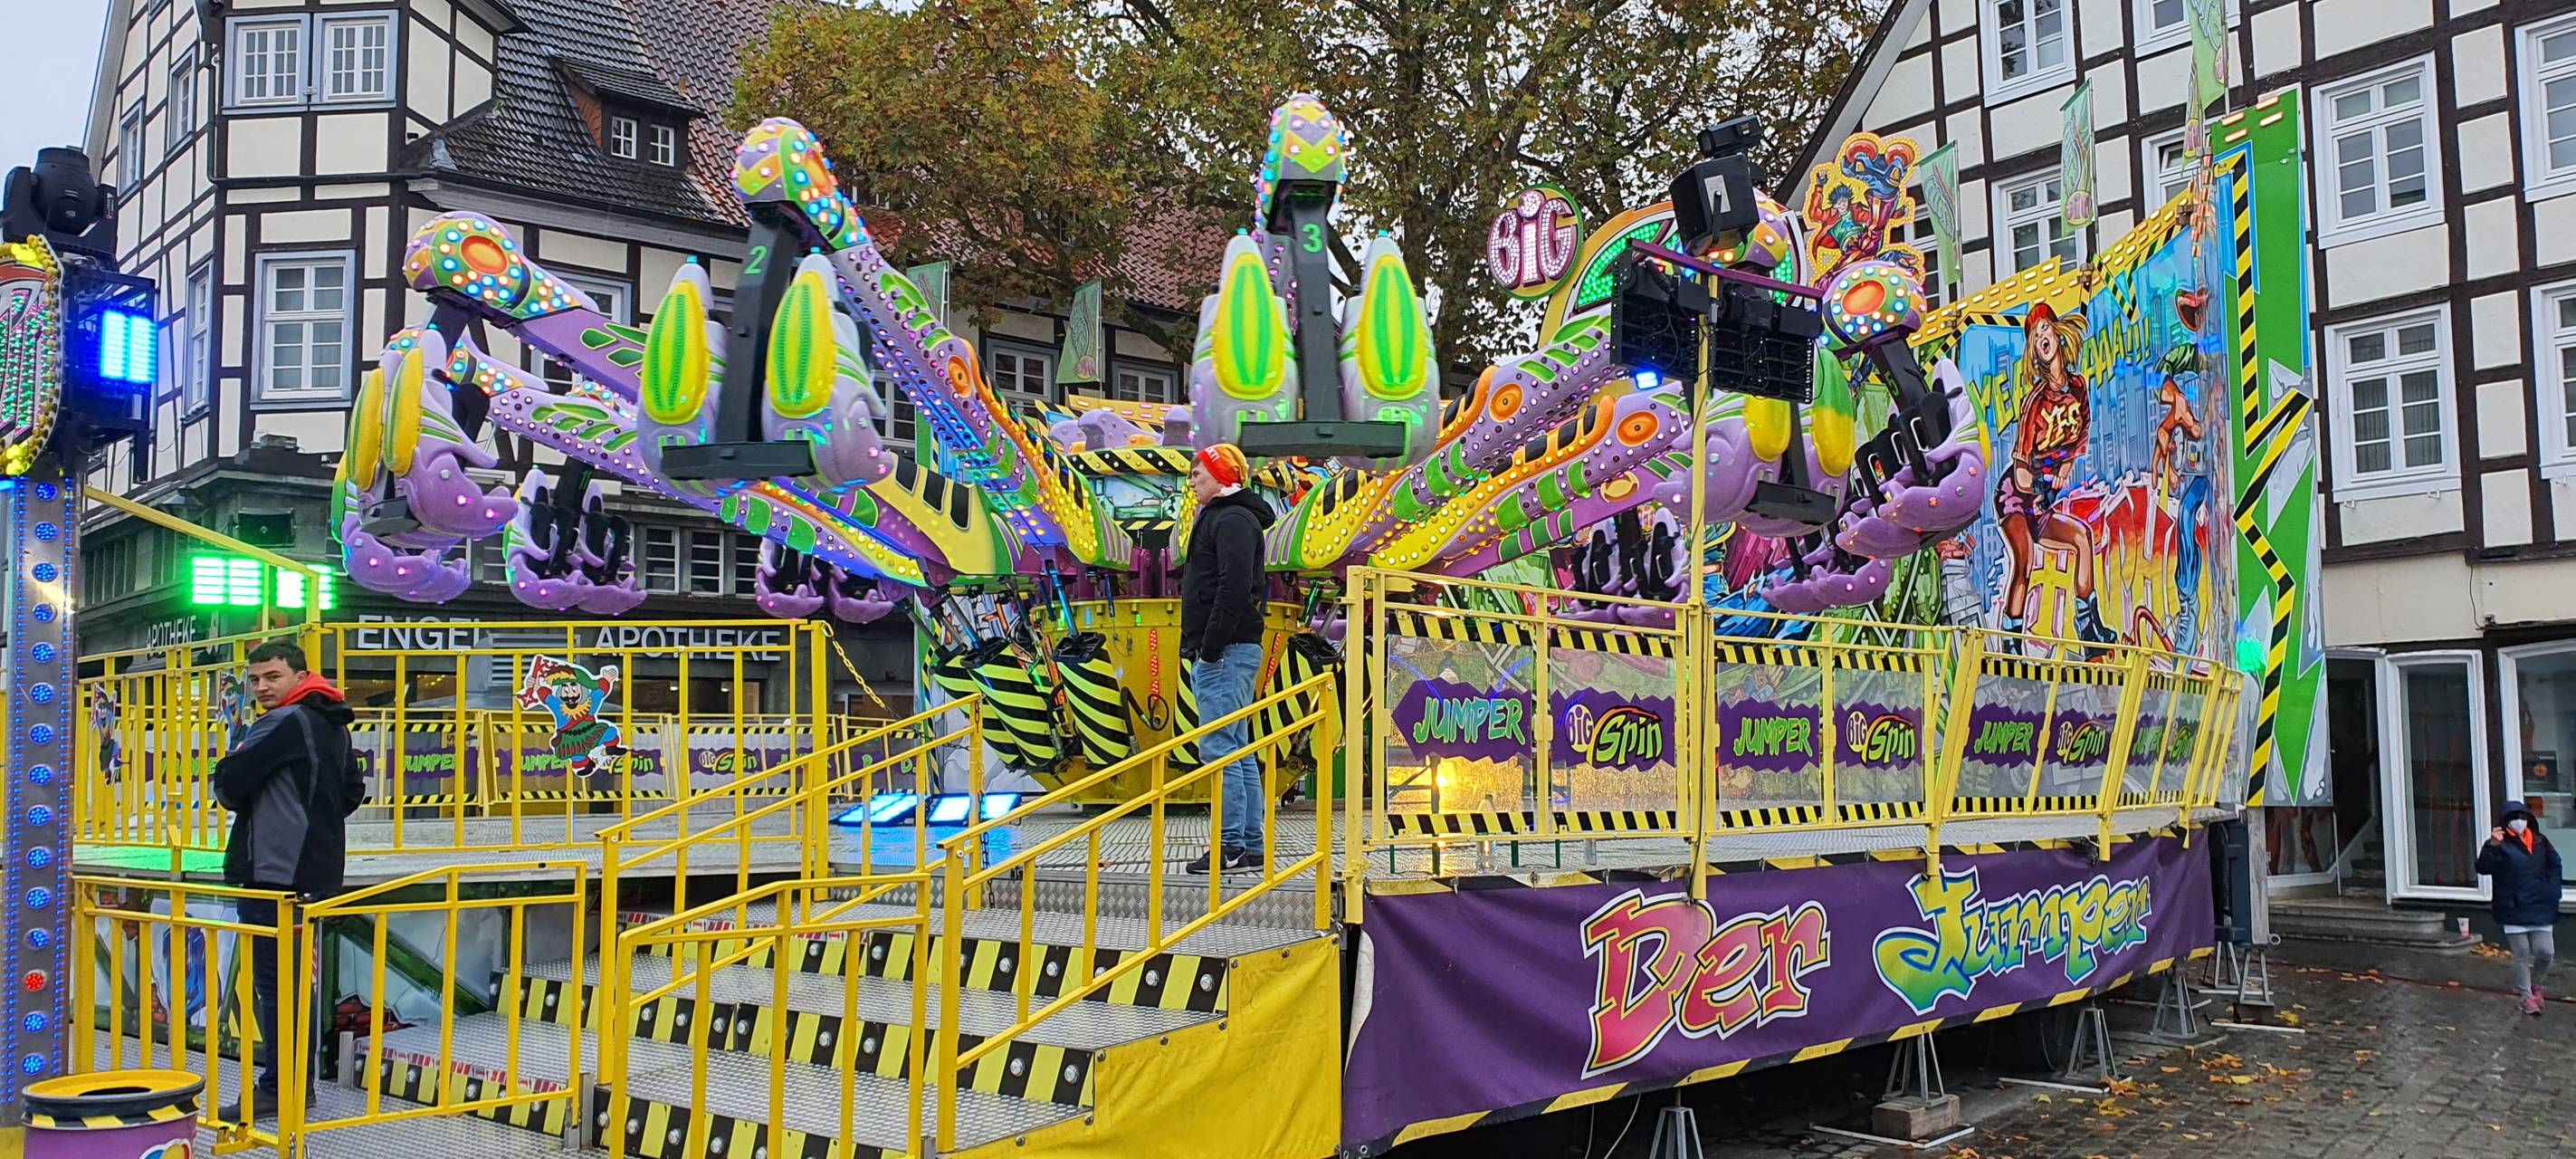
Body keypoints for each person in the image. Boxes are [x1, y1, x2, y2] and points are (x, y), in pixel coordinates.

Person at [213, 641, 362, 1117]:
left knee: (276, 988)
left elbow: (229, 784)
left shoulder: (281, 723)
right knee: (295, 986)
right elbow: (353, 791)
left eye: (272, 677)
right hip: (314, 873)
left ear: (299, 675)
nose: (261, 688)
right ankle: (297, 1084)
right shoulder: (332, 721)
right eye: (255, 679)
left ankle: (282, 1088)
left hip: (273, 875)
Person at [1179, 443, 1274, 874]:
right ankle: (1250, 845)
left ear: (1220, 476)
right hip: (1235, 647)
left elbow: (1233, 586)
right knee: (1238, 747)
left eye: (1198, 474)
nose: (1192, 482)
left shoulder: (1230, 518)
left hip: (1227, 649)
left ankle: (1230, 845)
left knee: (1221, 747)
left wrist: (1211, 644)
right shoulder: (1234, 517)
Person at [2475, 800, 2563, 1016]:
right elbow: (2483, 868)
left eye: (2523, 817)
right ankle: (2526, 997)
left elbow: (2555, 864)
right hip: (2512, 906)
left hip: (2541, 905)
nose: (2519, 822)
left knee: (2545, 952)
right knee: (2521, 953)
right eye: (2514, 818)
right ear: (2505, 822)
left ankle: (2536, 986)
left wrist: (2552, 891)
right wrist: (2491, 846)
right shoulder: (2500, 844)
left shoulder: (2541, 841)